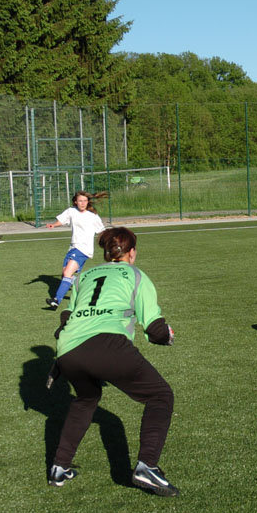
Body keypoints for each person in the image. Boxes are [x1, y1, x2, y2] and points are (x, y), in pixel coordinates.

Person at [49, 227, 178, 496]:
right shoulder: (136, 275)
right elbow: (155, 330)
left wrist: (59, 360)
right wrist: (167, 336)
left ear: (106, 253)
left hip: (68, 349)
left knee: (86, 399)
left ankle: (59, 466)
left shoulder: (84, 276)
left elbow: (65, 320)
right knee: (160, 396)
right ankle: (147, 466)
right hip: (108, 344)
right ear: (132, 252)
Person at [44, 191, 106, 309]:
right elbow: (62, 220)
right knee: (65, 275)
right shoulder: (71, 211)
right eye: (80, 201)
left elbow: (102, 231)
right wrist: (54, 225)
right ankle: (92, 286)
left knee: (67, 273)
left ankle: (56, 300)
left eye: (85, 201)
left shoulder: (93, 216)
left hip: (83, 249)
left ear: (87, 202)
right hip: (73, 247)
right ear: (75, 202)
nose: (83, 203)